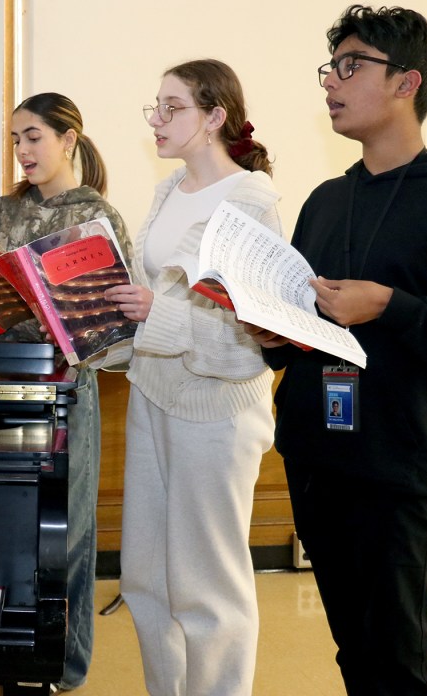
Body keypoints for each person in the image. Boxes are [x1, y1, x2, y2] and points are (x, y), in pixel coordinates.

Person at [246, 5, 427, 695]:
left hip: (401, 473)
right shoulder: (325, 201)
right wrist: (272, 338)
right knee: (357, 656)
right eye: (330, 68)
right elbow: (310, 330)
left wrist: (391, 306)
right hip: (319, 461)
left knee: (400, 662)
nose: (331, 83)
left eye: (352, 66)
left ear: (407, 83)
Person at [103, 59, 280, 696]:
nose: (156, 118)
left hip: (217, 408)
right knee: (147, 579)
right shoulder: (168, 189)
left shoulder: (251, 200)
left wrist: (159, 315)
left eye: (171, 107)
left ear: (214, 117)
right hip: (153, 391)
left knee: (209, 588)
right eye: (154, 105)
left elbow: (248, 333)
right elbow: (156, 296)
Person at [0, 92, 133, 692]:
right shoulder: (0, 212)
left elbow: (112, 332)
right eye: (15, 140)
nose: (24, 151)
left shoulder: (98, 218)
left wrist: (61, 311)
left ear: (68, 139)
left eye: (34, 137)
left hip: (64, 393)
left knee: (66, 531)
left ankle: (59, 665)